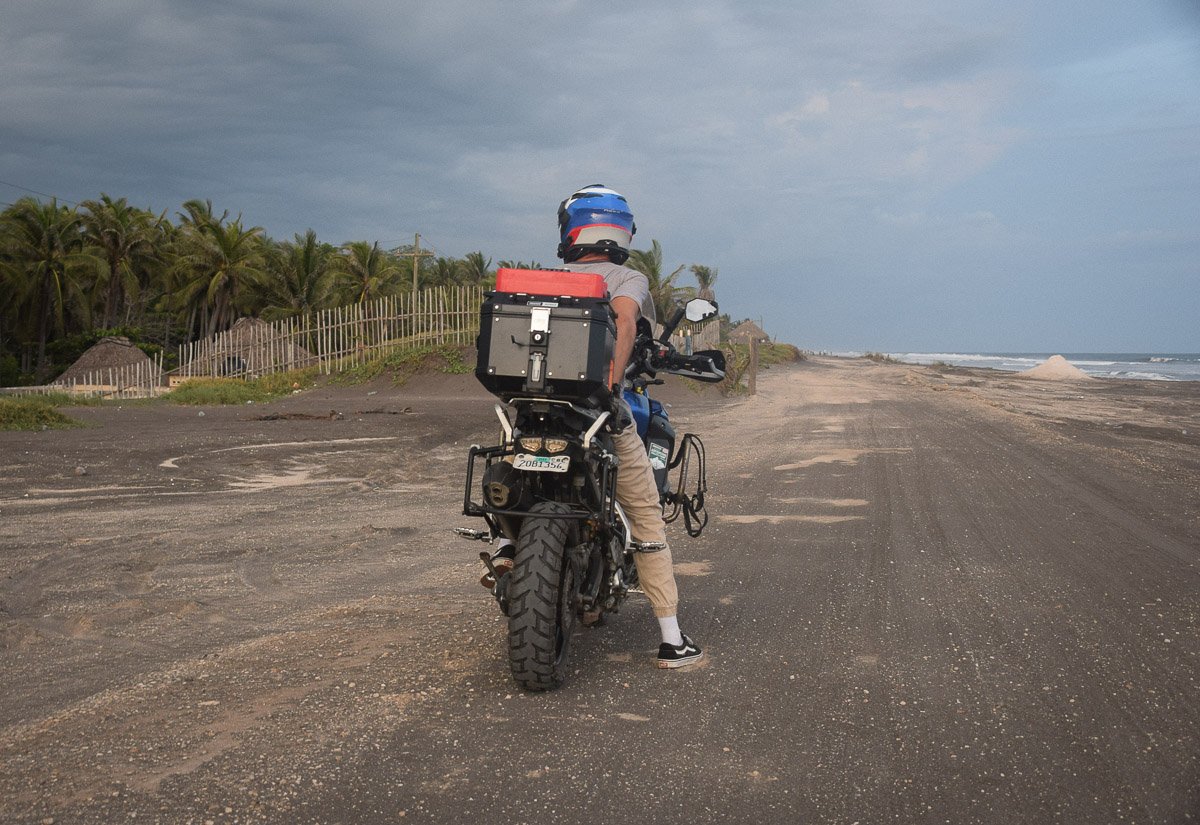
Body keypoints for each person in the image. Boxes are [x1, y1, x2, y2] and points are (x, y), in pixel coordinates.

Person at [515, 184, 703, 668]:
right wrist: (612, 389)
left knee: (511, 469)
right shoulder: (626, 276)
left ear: (571, 227)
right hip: (596, 413)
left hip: (532, 406)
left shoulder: (544, 277)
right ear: (621, 231)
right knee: (646, 517)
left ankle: (502, 545)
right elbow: (623, 324)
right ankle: (671, 639)